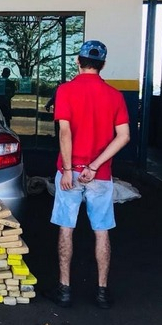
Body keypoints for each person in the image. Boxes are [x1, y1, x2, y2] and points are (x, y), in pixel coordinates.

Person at [45, 40, 130, 309]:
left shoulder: (66, 91)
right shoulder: (115, 95)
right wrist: (95, 166)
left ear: (78, 61)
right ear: (103, 64)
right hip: (100, 176)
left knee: (66, 228)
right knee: (102, 231)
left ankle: (64, 290)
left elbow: (65, 132)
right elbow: (124, 136)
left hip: (70, 173)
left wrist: (69, 169)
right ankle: (102, 292)